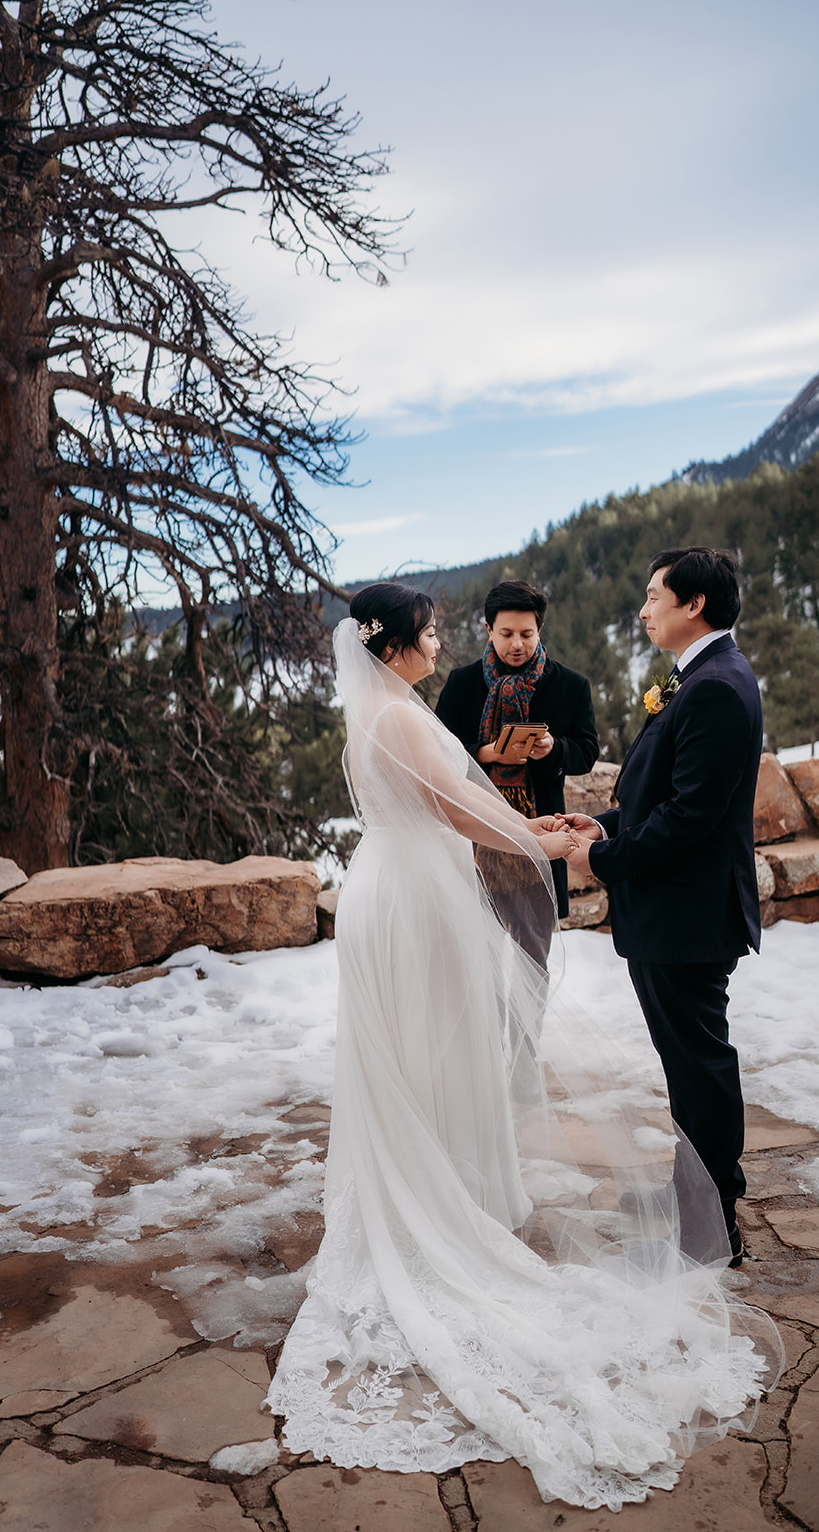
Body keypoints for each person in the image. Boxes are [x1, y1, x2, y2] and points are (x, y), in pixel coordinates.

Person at [268, 581, 778, 1511]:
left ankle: (439, 1185)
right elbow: (462, 812)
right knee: (438, 1046)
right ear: (393, 646)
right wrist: (547, 840)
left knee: (426, 1051)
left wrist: (554, 832)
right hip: (416, 894)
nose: (441, 641)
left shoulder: (390, 707)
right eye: (430, 632)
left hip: (396, 884)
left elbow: (459, 808)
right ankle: (440, 1200)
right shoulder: (405, 718)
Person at [562, 548, 763, 1266]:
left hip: (687, 915)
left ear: (693, 605)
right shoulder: (699, 678)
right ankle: (694, 1198)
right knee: (686, 1064)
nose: (643, 610)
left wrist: (602, 861)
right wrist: (606, 826)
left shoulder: (713, 687)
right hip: (675, 911)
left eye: (653, 597)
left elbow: (689, 819)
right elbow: (663, 798)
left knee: (700, 1067)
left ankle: (715, 1225)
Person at [435, 578, 599, 948]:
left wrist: (554, 748)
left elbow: (588, 751)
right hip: (473, 840)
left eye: (527, 633)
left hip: (540, 833)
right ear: (488, 629)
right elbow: (435, 750)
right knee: (477, 957)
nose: (517, 644)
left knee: (535, 956)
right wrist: (488, 753)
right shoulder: (462, 684)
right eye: (506, 633)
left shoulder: (571, 685)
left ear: (540, 629)